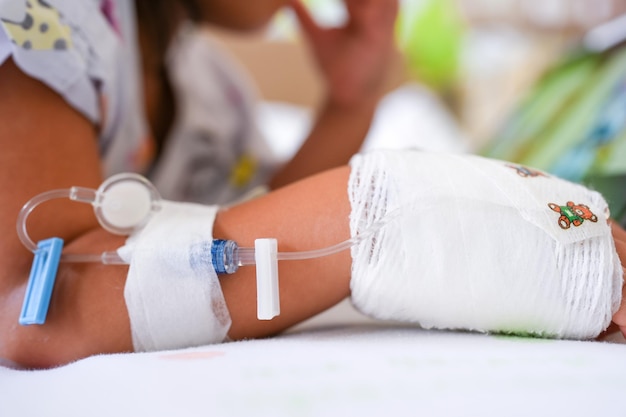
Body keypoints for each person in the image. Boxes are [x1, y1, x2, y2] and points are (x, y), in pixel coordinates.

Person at [0, 0, 624, 369]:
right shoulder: (37, 20)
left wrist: (350, 105)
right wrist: (382, 212)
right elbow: (40, 307)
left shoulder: (211, 93)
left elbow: (244, 240)